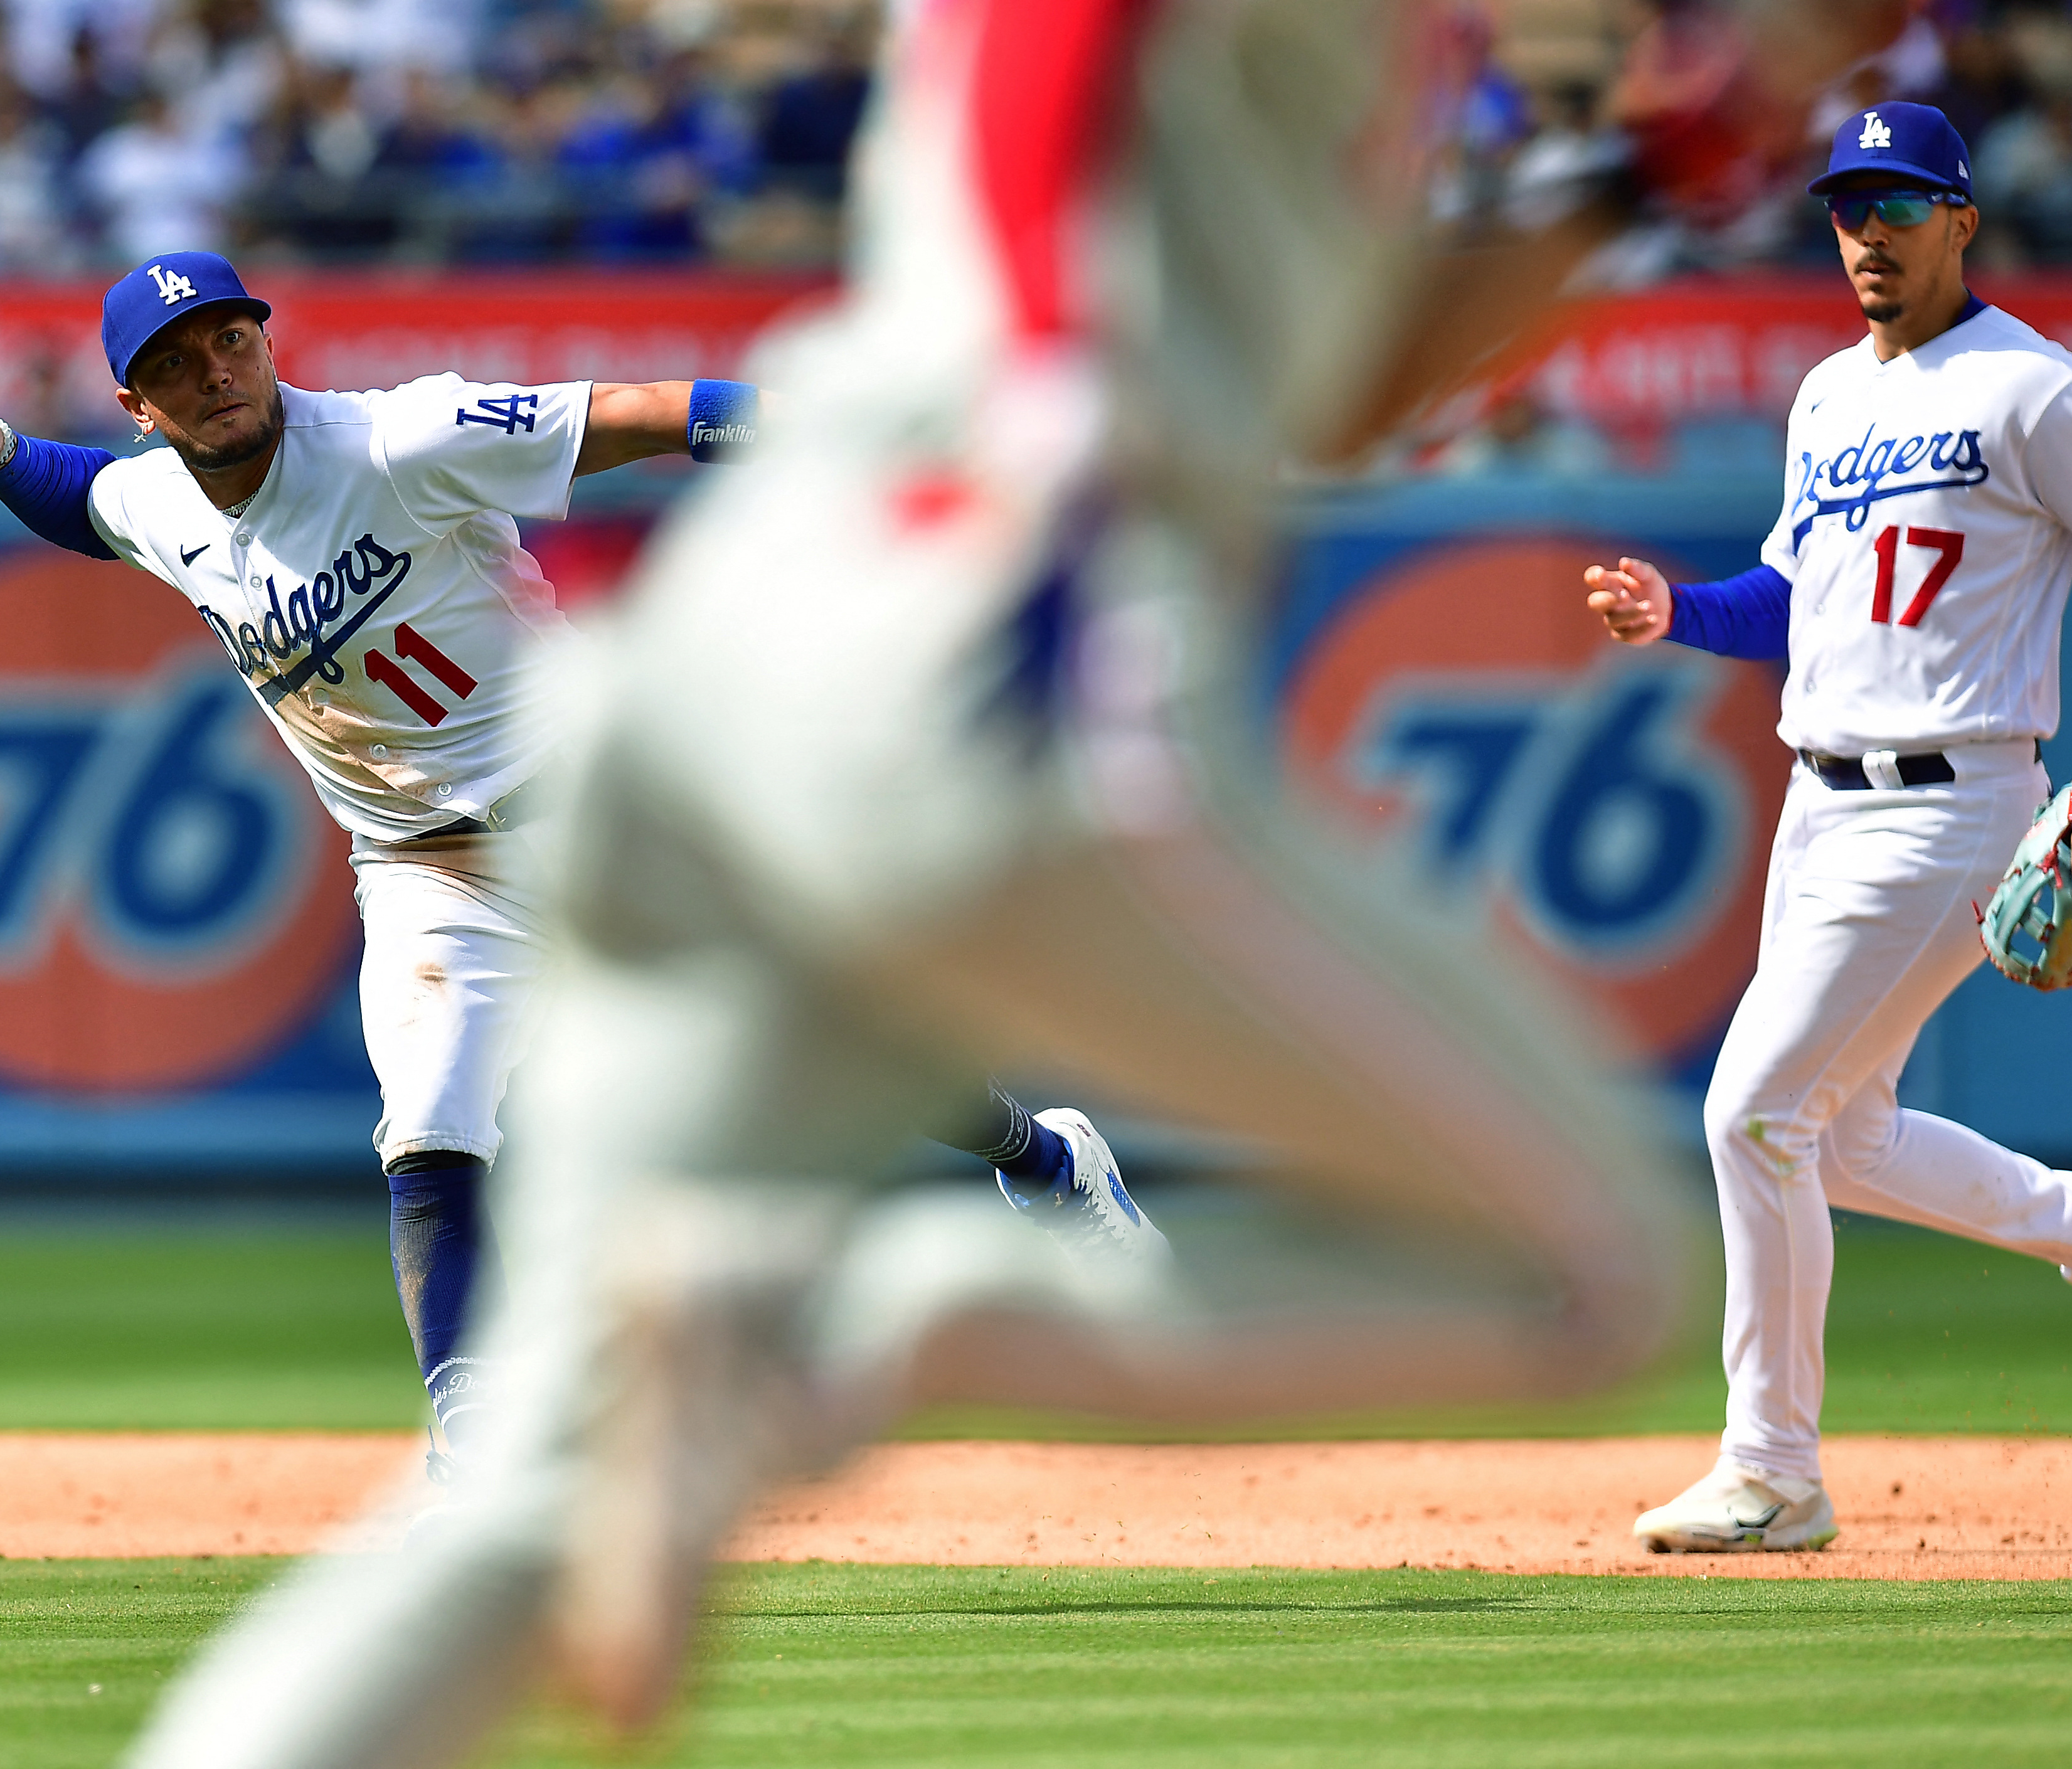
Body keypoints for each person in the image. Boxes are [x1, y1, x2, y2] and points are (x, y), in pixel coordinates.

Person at [119, 4, 1913, 1764]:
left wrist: (1671, 157)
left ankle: (746, 1332)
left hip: (723, 668)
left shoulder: (1366, 65)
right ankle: (867, 1325)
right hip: (989, 622)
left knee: (531, 1508)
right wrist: (1059, 401)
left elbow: (1351, 381)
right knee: (1593, 1274)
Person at [0, 253, 1164, 1465]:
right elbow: (87, 502)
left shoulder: (402, 439)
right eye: (176, 365)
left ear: (266, 336)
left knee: (805, 1040)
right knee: (431, 1136)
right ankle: (469, 1441)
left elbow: (637, 415)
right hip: (423, 874)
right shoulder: (160, 499)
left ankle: (1046, 1161)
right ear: (138, 402)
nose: (217, 370)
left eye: (231, 336)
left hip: (593, 820)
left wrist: (832, 438)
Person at [1583, 100, 2072, 1556]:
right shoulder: (1825, 396)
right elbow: (1791, 596)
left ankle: (1773, 1467)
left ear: (1959, 220)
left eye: (1897, 202)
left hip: (1955, 803)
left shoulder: (2030, 389)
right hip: (1817, 801)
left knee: (1751, 1112)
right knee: (1844, 1140)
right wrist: (1674, 612)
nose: (1866, 230)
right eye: (1847, 204)